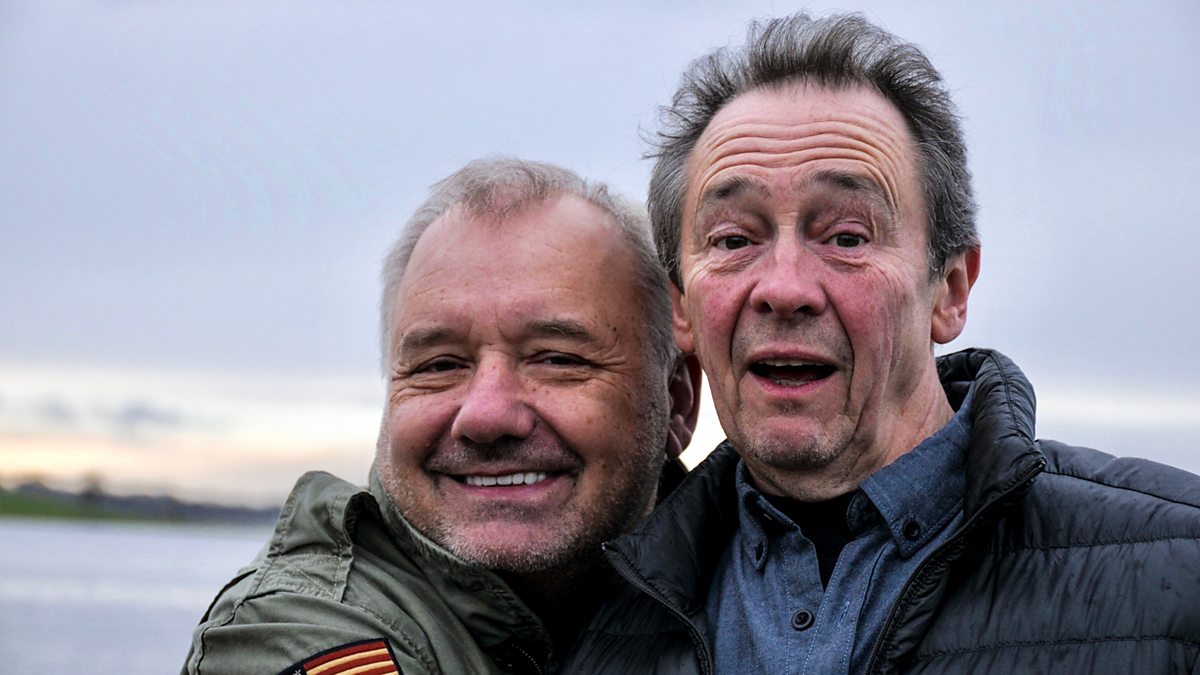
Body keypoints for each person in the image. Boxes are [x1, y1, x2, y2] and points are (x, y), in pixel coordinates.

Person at [559, 12, 1200, 674]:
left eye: (846, 236)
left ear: (949, 289)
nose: (783, 288)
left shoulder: (1179, 573)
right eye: (733, 239)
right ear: (682, 308)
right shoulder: (596, 625)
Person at [182, 158, 700, 675]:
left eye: (557, 359)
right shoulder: (301, 628)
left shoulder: (736, 590)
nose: (486, 416)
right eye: (440, 366)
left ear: (677, 401)